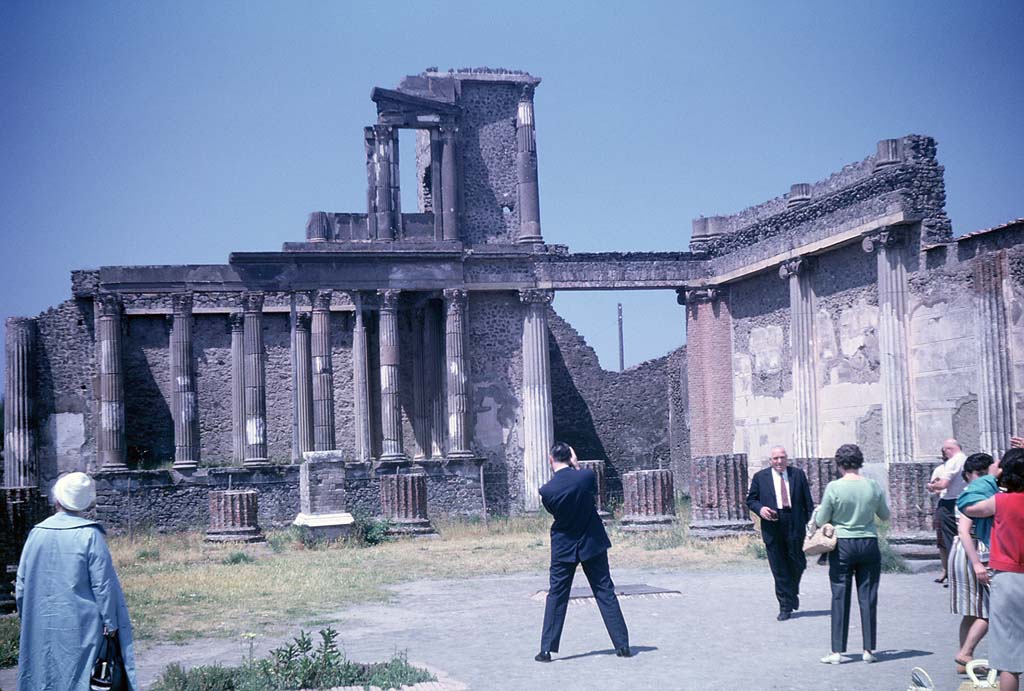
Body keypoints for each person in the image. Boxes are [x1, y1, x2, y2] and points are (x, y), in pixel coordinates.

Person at [15, 472, 137, 691]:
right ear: (84, 503)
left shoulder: (36, 533)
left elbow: (21, 585)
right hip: (83, 624)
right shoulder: (90, 536)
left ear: (57, 499)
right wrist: (111, 624)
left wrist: (27, 617)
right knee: (79, 676)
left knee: (44, 674)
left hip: (41, 619)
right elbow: (103, 587)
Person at [536, 442, 630, 662]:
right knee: (605, 591)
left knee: (557, 595)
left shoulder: (547, 491)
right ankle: (622, 645)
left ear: (551, 460)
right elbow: (591, 491)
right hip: (591, 541)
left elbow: (554, 512)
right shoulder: (585, 476)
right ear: (571, 457)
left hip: (564, 545)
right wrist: (576, 466)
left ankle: (546, 650)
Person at [814, 443, 891, 665]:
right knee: (868, 596)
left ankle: (837, 651)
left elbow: (821, 520)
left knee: (840, 594)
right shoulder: (873, 486)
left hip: (843, 544)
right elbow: (884, 515)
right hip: (868, 542)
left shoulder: (834, 487)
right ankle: (868, 649)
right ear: (860, 462)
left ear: (839, 464)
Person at [964, 448, 1024, 691]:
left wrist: (990, 476)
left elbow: (968, 506)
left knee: (1009, 655)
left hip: (1009, 578)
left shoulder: (1000, 502)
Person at [745, 445, 814, 620]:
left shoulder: (797, 474)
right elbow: (751, 500)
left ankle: (792, 592)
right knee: (779, 567)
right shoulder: (761, 477)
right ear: (770, 460)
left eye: (782, 457)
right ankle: (785, 606)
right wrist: (761, 510)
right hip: (772, 524)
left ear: (787, 458)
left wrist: (811, 525)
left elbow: (808, 502)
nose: (779, 461)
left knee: (798, 562)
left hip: (795, 522)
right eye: (775, 458)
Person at [949, 453, 999, 675]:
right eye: (977, 473)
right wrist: (978, 563)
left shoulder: (969, 493)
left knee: (970, 610)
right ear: (968, 474)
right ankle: (966, 652)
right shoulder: (974, 495)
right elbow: (964, 531)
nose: (981, 478)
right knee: (991, 608)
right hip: (974, 550)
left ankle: (963, 661)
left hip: (960, 551)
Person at [928, 438, 968, 584]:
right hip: (963, 501)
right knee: (964, 538)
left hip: (949, 502)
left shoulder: (953, 461)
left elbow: (943, 484)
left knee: (950, 540)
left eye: (945, 449)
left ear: (949, 449)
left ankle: (955, 576)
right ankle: (962, 573)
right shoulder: (966, 460)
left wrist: (931, 486)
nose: (944, 451)